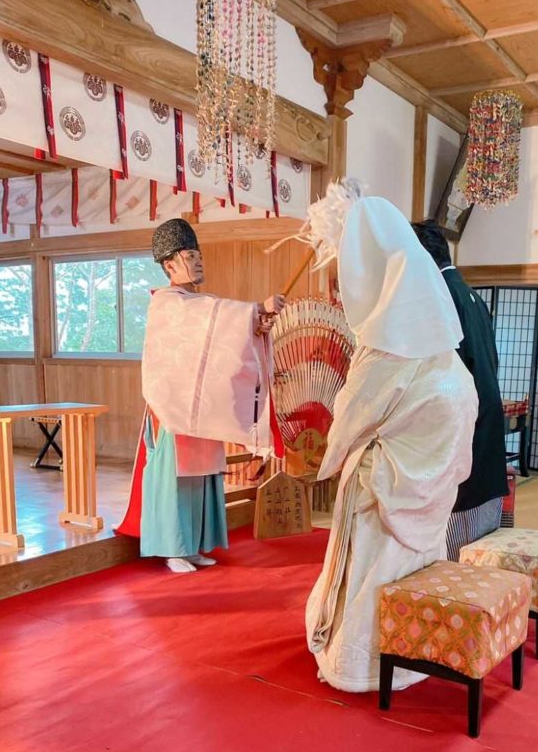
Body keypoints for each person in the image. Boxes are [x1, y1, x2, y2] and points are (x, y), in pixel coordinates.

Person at [306, 195, 479, 693]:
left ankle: (357, 665)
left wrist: (331, 452)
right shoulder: (439, 338)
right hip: (433, 483)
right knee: (414, 569)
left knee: (372, 576)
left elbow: (350, 418)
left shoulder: (387, 347)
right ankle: (414, 654)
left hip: (383, 488)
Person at [117, 218, 285, 572]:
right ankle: (171, 547)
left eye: (198, 255)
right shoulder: (168, 303)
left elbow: (220, 337)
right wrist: (256, 308)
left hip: (199, 405)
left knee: (201, 475)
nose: (198, 262)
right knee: (175, 478)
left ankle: (192, 544)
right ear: (169, 266)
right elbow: (215, 317)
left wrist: (256, 326)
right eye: (189, 255)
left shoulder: (195, 302)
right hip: (172, 408)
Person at [411, 220, 508, 560]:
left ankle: (458, 600)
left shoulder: (440, 297)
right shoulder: (471, 295)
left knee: (454, 546)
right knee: (479, 531)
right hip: (487, 414)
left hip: (464, 422)